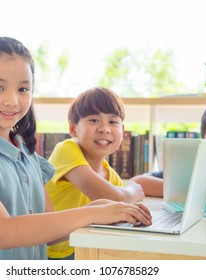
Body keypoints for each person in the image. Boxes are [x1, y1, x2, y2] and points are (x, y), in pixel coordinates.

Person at [0, 36, 151, 260]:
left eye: (23, 89)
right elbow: (4, 232)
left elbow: (48, 230)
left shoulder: (28, 156)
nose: (12, 101)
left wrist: (104, 208)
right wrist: (94, 213)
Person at [45, 87, 145, 260]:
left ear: (122, 131)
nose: (104, 128)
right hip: (52, 253)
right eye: (94, 120)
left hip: (83, 247)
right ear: (74, 129)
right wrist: (133, 192)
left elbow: (119, 208)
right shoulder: (66, 150)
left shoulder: (110, 174)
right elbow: (116, 197)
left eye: (113, 122)